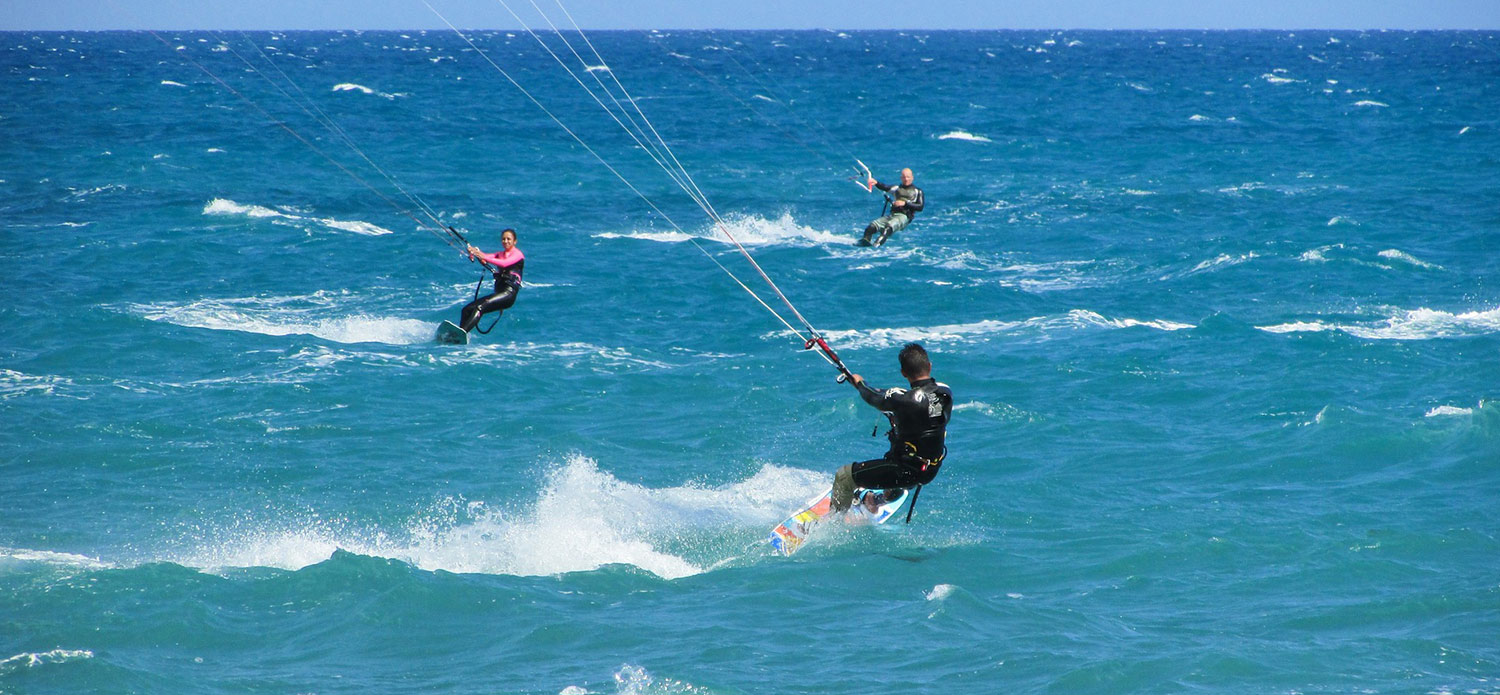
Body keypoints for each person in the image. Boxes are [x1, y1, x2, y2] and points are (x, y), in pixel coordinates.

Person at [831, 342, 953, 513]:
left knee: (844, 476)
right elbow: (919, 407)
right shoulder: (946, 392)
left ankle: (834, 526)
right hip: (930, 470)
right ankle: (874, 501)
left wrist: (859, 384)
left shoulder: (901, 400)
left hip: (904, 471)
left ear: (903, 373)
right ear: (929, 366)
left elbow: (873, 396)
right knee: (899, 480)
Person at [459, 228, 524, 333]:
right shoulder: (499, 254)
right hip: (500, 291)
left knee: (480, 307)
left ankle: (463, 331)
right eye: (503, 239)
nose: (505, 241)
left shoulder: (517, 254)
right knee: (467, 309)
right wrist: (474, 252)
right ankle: (459, 335)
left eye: (508, 239)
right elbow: (485, 258)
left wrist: (481, 255)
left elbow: (504, 263)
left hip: (508, 293)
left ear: (514, 241)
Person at [860, 167, 925, 246]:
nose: (906, 179)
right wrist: (875, 183)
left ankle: (876, 246)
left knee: (887, 228)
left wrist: (905, 203)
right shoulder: (897, 188)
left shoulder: (918, 191)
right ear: (901, 178)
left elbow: (920, 207)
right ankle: (864, 243)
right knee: (871, 227)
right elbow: (885, 187)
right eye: (904, 177)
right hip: (893, 215)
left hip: (904, 217)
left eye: (908, 177)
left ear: (912, 177)